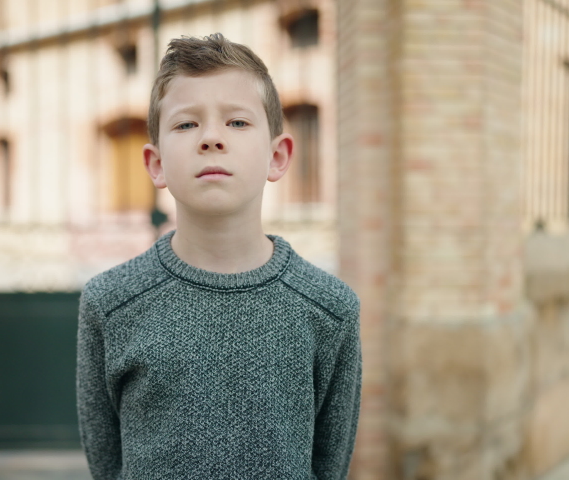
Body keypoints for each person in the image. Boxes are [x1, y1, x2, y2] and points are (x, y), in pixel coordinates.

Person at [76, 33, 362, 480]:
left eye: (237, 122)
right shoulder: (110, 303)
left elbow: (329, 464)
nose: (211, 138)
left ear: (277, 156)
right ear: (156, 164)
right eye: (186, 124)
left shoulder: (330, 309)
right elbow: (108, 462)